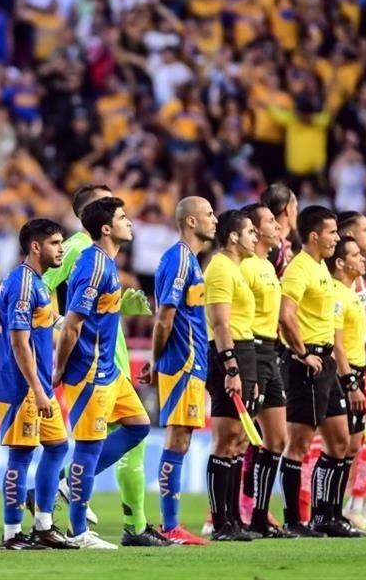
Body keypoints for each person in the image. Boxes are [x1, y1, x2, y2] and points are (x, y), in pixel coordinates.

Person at [37, 184, 161, 547]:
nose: (129, 223)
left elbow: (94, 314)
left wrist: (122, 308)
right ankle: (78, 532)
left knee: (138, 426)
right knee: (89, 448)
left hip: (110, 369)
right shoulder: (91, 264)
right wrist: (59, 368)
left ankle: (68, 482)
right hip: (89, 371)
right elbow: (74, 323)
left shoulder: (107, 264)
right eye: (122, 218)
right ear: (105, 228)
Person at [0, 218, 77, 549]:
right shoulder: (23, 285)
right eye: (56, 243)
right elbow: (18, 343)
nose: (61, 249)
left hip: (40, 384)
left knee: (58, 446)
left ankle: (43, 524)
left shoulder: (41, 284)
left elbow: (47, 327)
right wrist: (39, 390)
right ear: (35, 247)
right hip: (23, 387)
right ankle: (12, 533)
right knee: (21, 454)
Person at [140, 196, 214, 546]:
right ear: (191, 222)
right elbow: (164, 318)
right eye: (208, 214)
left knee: (181, 440)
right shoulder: (180, 260)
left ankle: (171, 524)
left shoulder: (191, 262)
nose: (215, 220)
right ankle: (170, 525)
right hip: (181, 362)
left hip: (192, 361)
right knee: (178, 438)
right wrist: (156, 361)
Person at [277, 206, 345, 538]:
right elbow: (285, 315)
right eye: (332, 232)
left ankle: (326, 516)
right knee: (299, 445)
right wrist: (302, 353)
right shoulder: (299, 269)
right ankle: (294, 520)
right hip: (308, 363)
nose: (337, 238)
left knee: (340, 441)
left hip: (327, 362)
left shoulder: (321, 269)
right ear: (314, 236)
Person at [203, 209, 261, 542]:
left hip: (246, 351)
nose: (255, 236)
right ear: (234, 236)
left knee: (239, 441)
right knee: (224, 440)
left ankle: (234, 519)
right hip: (231, 354)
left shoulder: (237, 269)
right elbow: (221, 323)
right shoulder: (221, 268)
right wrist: (231, 367)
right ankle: (220, 521)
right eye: (250, 231)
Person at [238, 203, 286, 537]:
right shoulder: (246, 267)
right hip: (251, 349)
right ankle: (224, 515)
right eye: (270, 221)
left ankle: (258, 513)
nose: (277, 226)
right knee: (240, 438)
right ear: (255, 230)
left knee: (277, 439)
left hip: (271, 351)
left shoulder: (268, 265)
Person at [325, 236, 366, 537]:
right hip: (344, 375)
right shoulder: (338, 294)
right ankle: (326, 511)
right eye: (355, 254)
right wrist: (351, 382)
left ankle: (337, 511)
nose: (362, 257)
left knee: (352, 448)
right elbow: (338, 346)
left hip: (359, 371)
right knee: (338, 446)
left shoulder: (353, 294)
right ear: (341, 262)